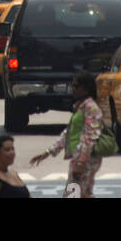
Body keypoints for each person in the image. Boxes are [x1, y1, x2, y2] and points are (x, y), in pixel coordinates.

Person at [30, 71, 104, 199]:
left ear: (86, 89)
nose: (72, 89)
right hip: (80, 158)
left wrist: (81, 162)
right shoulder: (81, 106)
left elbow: (91, 137)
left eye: (76, 86)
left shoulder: (91, 108)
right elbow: (68, 134)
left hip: (85, 160)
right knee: (84, 194)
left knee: (73, 194)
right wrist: (48, 152)